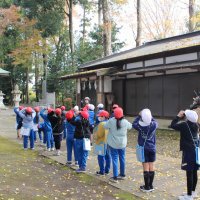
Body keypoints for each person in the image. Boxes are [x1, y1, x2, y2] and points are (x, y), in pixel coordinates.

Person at [171, 110, 199, 200]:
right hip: (196, 151)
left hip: (188, 152)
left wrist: (178, 116)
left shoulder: (184, 125)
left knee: (189, 173)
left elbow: (173, 125)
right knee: (194, 172)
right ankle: (193, 192)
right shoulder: (197, 125)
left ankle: (189, 196)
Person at [132, 108, 158, 192]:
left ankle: (146, 186)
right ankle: (151, 185)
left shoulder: (139, 125)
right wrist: (149, 116)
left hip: (144, 148)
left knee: (145, 166)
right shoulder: (154, 124)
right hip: (152, 148)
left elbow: (133, 124)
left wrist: (139, 115)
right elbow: (153, 120)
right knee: (151, 166)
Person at [104, 107, 132, 183]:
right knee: (122, 158)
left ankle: (115, 176)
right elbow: (130, 126)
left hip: (113, 144)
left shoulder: (111, 121)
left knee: (115, 159)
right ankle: (122, 174)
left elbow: (105, 126)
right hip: (122, 144)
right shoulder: (125, 122)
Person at [94, 110, 111, 176]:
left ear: (103, 117)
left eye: (100, 116)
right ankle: (107, 170)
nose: (99, 117)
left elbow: (99, 134)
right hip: (108, 142)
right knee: (108, 156)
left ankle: (102, 171)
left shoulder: (101, 124)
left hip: (101, 142)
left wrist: (95, 135)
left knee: (100, 157)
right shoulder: (109, 123)